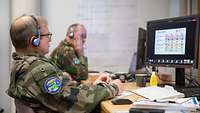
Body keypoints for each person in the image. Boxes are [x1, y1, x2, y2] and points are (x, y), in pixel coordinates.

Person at [7, 15, 123, 113]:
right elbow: (77, 101)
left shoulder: (22, 64)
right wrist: (114, 87)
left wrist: (95, 86)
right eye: (47, 35)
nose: (50, 39)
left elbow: (65, 90)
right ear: (34, 40)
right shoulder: (39, 70)